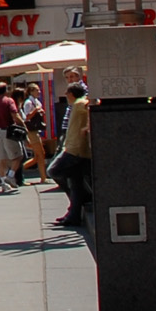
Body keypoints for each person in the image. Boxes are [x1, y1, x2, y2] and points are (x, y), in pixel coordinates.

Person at [54, 80, 93, 228]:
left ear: (71, 93)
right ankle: (73, 212)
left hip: (75, 148)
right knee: (75, 181)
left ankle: (85, 195)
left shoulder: (79, 103)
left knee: (55, 171)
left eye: (67, 92)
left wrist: (87, 127)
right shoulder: (75, 104)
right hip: (73, 146)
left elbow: (90, 107)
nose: (65, 95)